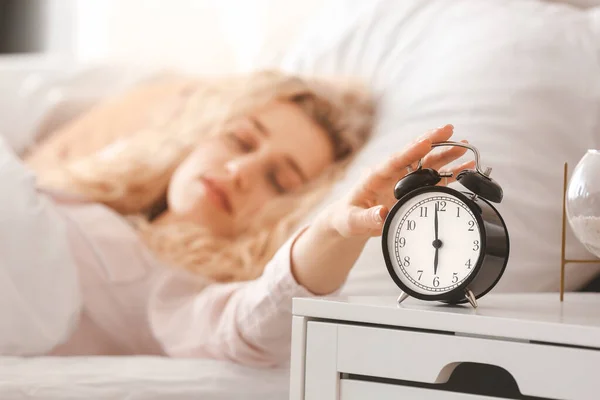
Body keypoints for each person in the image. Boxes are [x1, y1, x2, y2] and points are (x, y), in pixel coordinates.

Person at [1, 70, 471, 366]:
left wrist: (332, 230)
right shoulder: (83, 195)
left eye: (279, 181)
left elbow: (255, 324)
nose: (241, 171)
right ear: (202, 133)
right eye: (242, 141)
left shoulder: (175, 293)